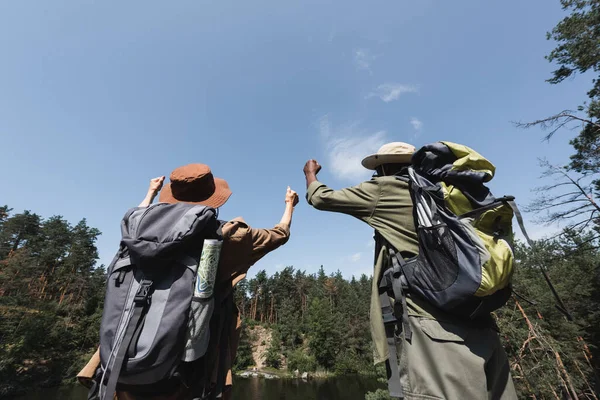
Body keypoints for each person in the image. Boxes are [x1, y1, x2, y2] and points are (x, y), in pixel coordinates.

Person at [304, 142, 517, 400]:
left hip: (432, 330)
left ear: (383, 166)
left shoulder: (387, 188)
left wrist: (310, 174)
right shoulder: (448, 191)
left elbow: (320, 198)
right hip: (482, 323)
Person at [78, 163, 299, 400]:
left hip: (118, 367)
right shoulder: (225, 235)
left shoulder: (136, 231)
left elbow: (138, 213)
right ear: (212, 197)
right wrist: (289, 205)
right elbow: (279, 234)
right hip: (182, 372)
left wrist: (151, 193)